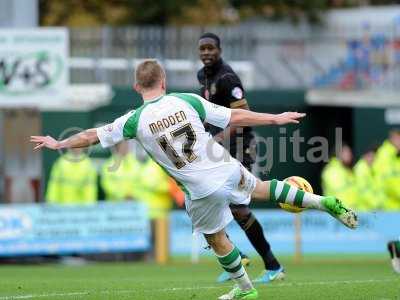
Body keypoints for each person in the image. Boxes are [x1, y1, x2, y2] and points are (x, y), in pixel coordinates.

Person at [31, 59, 357, 300]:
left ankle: (245, 289)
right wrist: (274, 117)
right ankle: (321, 201)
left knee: (216, 239)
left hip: (199, 189)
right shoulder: (186, 100)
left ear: (136, 87)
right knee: (262, 189)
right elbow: (235, 116)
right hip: (224, 166)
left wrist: (59, 143)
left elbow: (90, 136)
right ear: (163, 80)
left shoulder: (134, 120)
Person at [197, 32, 283, 284]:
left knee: (238, 208)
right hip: (218, 148)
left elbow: (243, 114)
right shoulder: (203, 76)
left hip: (240, 146)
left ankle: (273, 266)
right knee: (205, 198)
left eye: (210, 48)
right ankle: (240, 255)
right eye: (202, 49)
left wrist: (216, 139)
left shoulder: (227, 78)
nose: (206, 53)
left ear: (220, 50)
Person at [321, 144, 357, 209]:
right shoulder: (332, 170)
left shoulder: (347, 170)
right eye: (345, 152)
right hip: (337, 213)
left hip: (350, 212)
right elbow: (339, 193)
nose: (349, 155)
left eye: (349, 152)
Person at [373, 130, 400, 210]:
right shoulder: (384, 154)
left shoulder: (395, 155)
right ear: (393, 139)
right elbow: (388, 180)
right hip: (387, 205)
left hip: (395, 205)